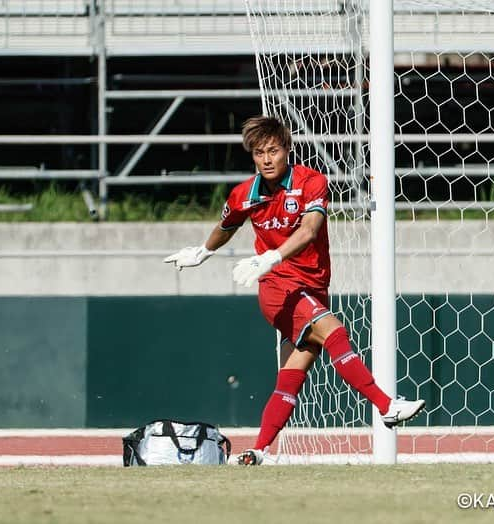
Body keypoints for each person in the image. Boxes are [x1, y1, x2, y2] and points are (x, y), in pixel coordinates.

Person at [164, 115, 425, 465]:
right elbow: (227, 225)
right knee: (335, 333)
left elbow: (310, 229)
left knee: (291, 376)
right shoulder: (244, 194)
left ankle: (258, 449)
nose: (267, 159)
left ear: (288, 149)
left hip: (311, 287)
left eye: (273, 150)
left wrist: (272, 255)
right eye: (259, 153)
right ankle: (386, 405)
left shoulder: (312, 182)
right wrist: (203, 251)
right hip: (278, 290)